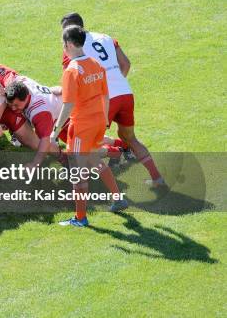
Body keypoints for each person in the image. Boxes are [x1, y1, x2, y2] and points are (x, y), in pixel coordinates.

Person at [60, 13, 164, 187]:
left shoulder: (73, 49)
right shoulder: (106, 37)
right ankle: (157, 178)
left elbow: (72, 86)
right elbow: (126, 64)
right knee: (130, 137)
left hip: (103, 99)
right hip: (125, 93)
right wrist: (117, 84)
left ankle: (88, 189)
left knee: (88, 142)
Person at [50, 25, 126, 227]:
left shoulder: (72, 71)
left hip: (82, 126)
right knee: (95, 159)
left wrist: (56, 131)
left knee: (78, 173)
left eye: (62, 43)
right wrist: (104, 120)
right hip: (98, 122)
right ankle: (118, 198)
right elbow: (105, 95)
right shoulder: (95, 63)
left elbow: (68, 105)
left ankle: (80, 218)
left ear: (68, 44)